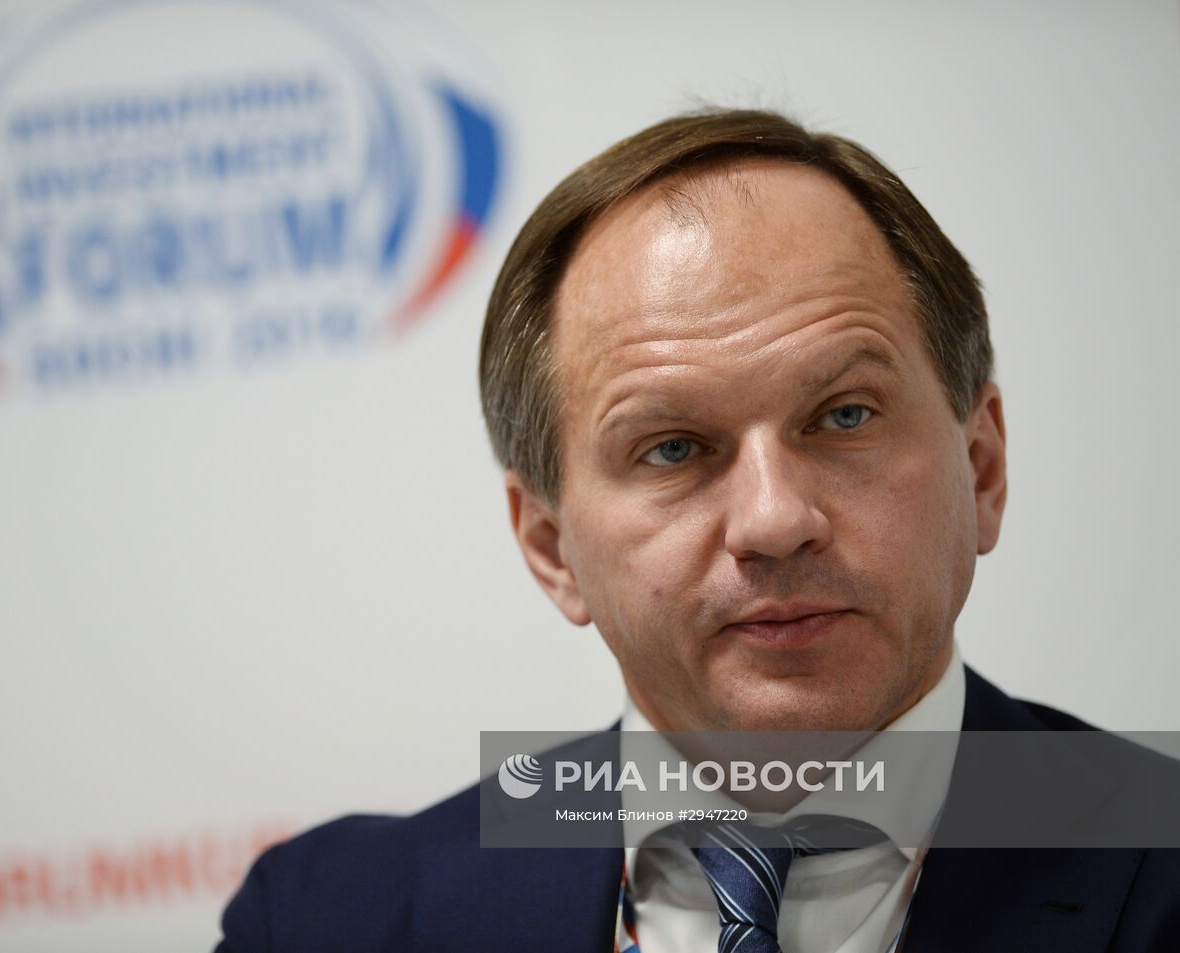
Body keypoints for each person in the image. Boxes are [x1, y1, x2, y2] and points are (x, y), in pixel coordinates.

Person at [214, 107, 1180, 951]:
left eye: (844, 415)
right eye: (672, 448)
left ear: (982, 467)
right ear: (552, 549)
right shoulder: (327, 920)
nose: (775, 520)